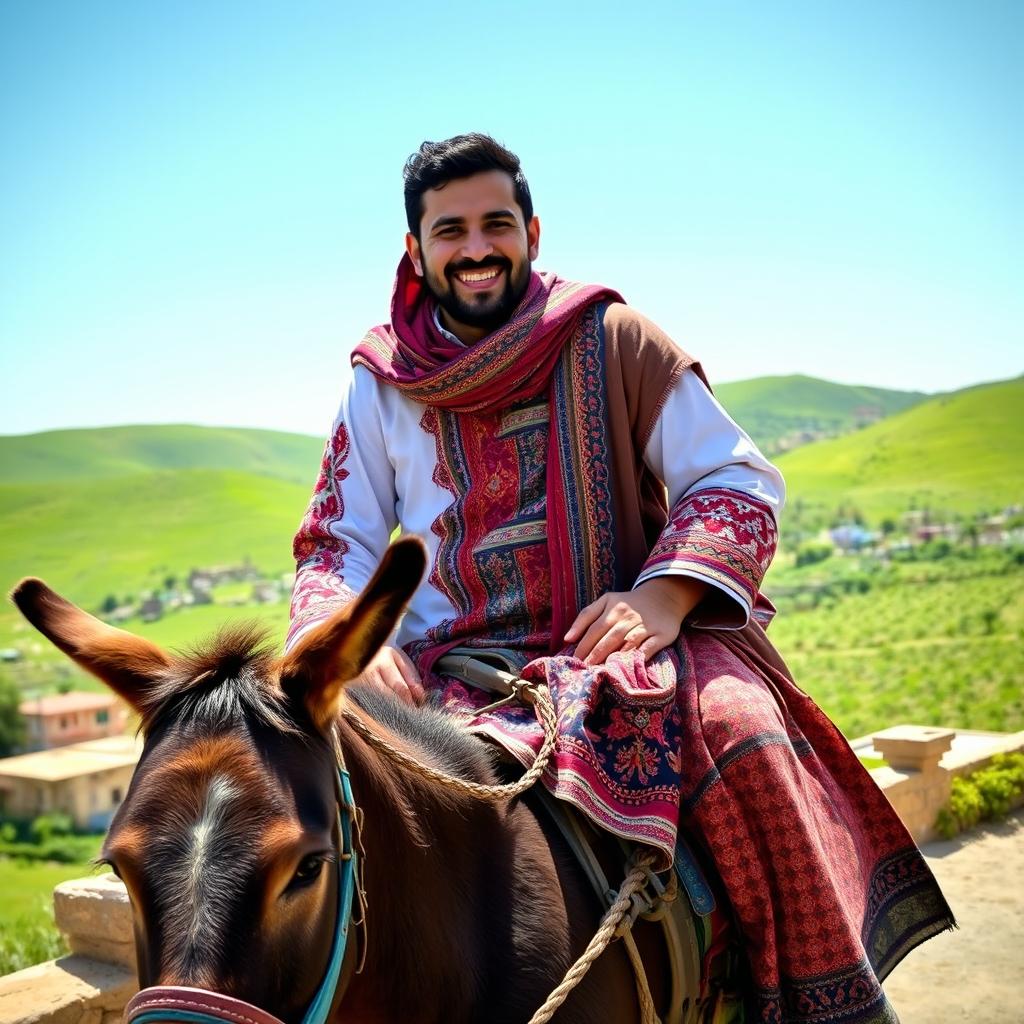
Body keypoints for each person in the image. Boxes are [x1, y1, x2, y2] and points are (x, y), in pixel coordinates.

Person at [288, 133, 952, 1023]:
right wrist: (352, 650)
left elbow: (733, 479)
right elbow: (336, 542)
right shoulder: (379, 384)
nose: (477, 248)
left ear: (531, 229)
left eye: (497, 223)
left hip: (624, 642)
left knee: (744, 728)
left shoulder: (615, 337)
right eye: (451, 231)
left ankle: (825, 1006)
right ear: (416, 250)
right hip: (439, 670)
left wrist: (665, 596)